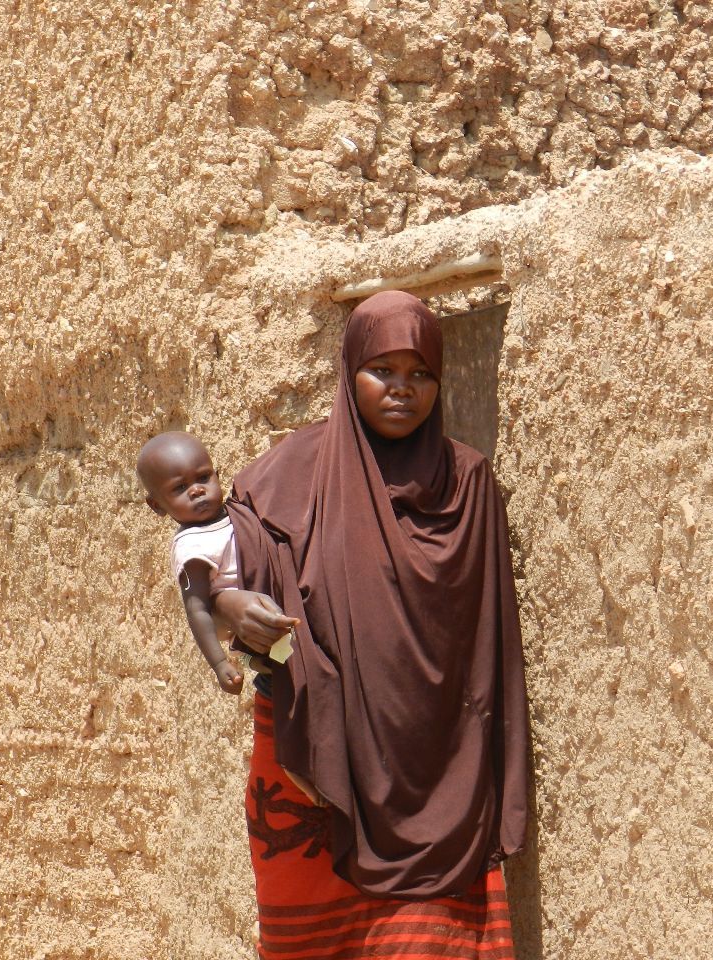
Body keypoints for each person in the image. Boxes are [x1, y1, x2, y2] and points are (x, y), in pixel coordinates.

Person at [213, 290, 531, 959]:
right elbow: (213, 558)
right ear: (348, 369)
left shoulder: (466, 482)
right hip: (316, 762)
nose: (402, 389)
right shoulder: (288, 476)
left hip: (437, 772)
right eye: (382, 370)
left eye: (420, 374)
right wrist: (226, 603)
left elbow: (490, 644)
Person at [136, 431, 245, 695]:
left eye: (203, 477)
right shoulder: (194, 547)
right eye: (179, 488)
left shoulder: (238, 512)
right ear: (156, 505)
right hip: (256, 628)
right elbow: (197, 609)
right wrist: (219, 663)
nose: (197, 490)